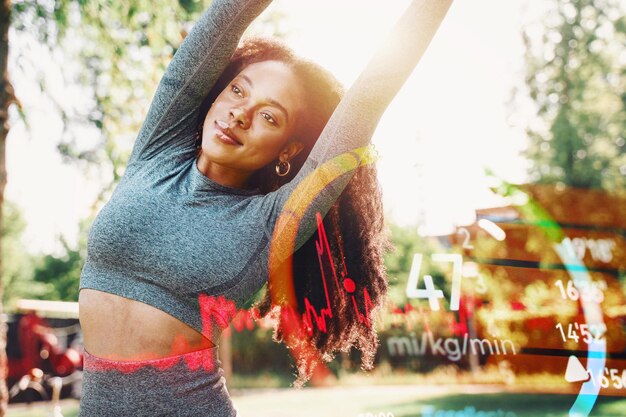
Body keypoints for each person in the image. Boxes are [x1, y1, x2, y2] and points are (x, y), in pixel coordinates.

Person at [77, 0, 453, 415]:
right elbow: (230, 14)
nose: (241, 113)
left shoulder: (275, 221)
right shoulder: (158, 150)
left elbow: (373, 92)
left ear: (287, 150)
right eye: (238, 90)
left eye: (269, 117)